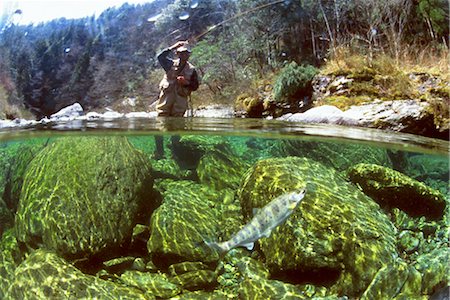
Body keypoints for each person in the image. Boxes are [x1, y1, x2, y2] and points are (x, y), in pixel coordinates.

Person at [154, 40, 199, 159]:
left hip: (179, 105)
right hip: (164, 103)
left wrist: (185, 83)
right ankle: (159, 153)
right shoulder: (169, 64)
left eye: (186, 53)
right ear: (177, 53)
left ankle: (175, 154)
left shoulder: (192, 70)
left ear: (189, 54)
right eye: (181, 53)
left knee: (176, 129)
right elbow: (160, 57)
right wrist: (173, 46)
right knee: (159, 127)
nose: (184, 55)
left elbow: (195, 86)